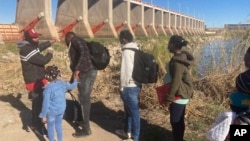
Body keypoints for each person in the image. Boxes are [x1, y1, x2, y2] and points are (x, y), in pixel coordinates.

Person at [17, 28, 56, 136]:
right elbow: (43, 60)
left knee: (39, 102)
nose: (37, 38)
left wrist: (50, 42)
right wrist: (50, 53)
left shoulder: (30, 47)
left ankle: (36, 122)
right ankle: (37, 126)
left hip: (38, 77)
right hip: (33, 80)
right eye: (34, 37)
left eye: (38, 36)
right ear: (29, 38)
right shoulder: (26, 50)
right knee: (39, 104)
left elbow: (38, 48)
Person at [64, 32, 97, 138]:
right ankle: (83, 121)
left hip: (87, 73)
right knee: (84, 98)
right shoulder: (79, 41)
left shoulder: (75, 40)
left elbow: (84, 53)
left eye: (65, 41)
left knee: (84, 99)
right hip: (87, 72)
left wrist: (77, 70)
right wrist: (71, 80)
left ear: (68, 38)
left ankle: (86, 129)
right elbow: (78, 61)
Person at [163, 35, 194, 141]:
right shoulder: (178, 57)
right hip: (179, 94)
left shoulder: (177, 62)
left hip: (179, 95)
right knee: (179, 121)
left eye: (169, 43)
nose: (168, 45)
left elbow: (176, 81)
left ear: (172, 45)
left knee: (175, 122)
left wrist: (169, 98)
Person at [39, 65, 78, 141]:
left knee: (50, 128)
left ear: (47, 77)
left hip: (52, 112)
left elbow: (45, 104)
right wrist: (75, 79)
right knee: (58, 126)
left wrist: (43, 115)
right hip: (61, 109)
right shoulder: (62, 84)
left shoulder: (47, 89)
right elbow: (72, 86)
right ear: (57, 74)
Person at [116, 30, 142, 141]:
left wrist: (121, 87)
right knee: (129, 111)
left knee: (134, 113)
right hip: (136, 84)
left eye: (120, 38)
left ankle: (135, 137)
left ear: (124, 39)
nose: (119, 40)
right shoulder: (137, 49)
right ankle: (127, 131)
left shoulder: (126, 51)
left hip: (129, 86)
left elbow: (125, 72)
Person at [229, 47, 250, 114]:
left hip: (242, 114)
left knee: (236, 97)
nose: (244, 59)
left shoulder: (242, 78)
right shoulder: (242, 78)